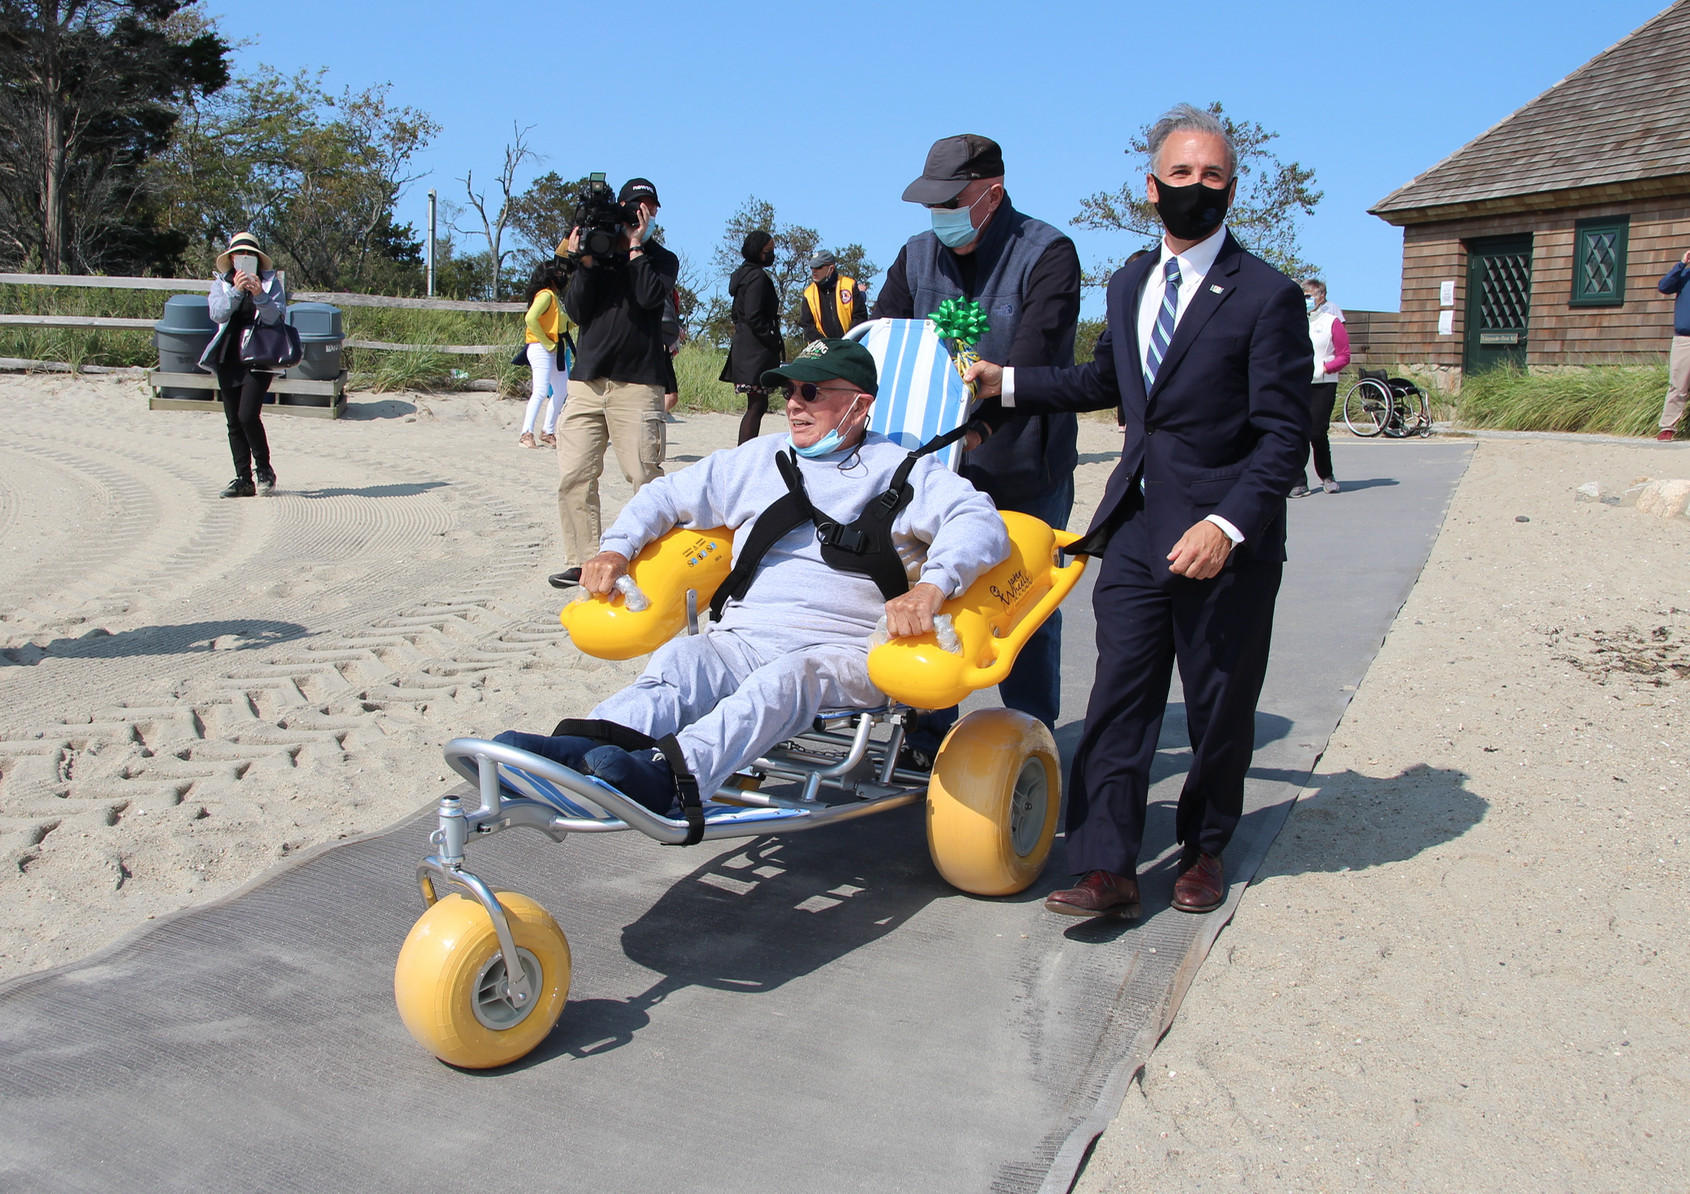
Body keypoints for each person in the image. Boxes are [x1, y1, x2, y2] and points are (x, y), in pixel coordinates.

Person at [964, 104, 1311, 919]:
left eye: (1214, 175)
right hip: (1135, 524)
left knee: (1219, 705)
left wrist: (1227, 527)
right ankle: (1105, 867)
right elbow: (1103, 381)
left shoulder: (1268, 295)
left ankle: (1205, 848)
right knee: (1119, 697)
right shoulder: (1129, 282)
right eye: (1182, 173)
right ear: (1151, 187)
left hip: (1223, 537)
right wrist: (1006, 383)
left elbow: (1284, 435)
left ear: (1232, 190)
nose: (1198, 187)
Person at [495, 338, 1009, 814]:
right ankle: (581, 750)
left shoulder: (905, 470)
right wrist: (615, 548)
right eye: (789, 391)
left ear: (860, 404)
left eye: (812, 392)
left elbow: (979, 521)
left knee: (784, 681)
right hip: (744, 637)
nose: (794, 405)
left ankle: (671, 778)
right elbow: (664, 496)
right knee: (684, 660)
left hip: (846, 650)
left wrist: (932, 585)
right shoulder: (757, 460)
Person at [873, 132, 1082, 738]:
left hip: (1022, 465)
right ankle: (927, 732)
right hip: (932, 469)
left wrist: (981, 428)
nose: (939, 215)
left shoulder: (1047, 253)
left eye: (951, 202)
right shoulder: (915, 256)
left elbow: (1036, 360)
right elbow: (882, 342)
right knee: (924, 591)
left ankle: (1029, 734)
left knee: (1022, 599)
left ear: (992, 194)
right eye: (931, 205)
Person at [549, 178, 681, 589]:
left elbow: (649, 297)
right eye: (635, 206)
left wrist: (636, 247)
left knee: (644, 476)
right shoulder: (596, 251)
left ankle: (647, 562)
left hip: (638, 384)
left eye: (649, 207)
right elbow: (576, 310)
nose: (642, 213)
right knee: (574, 476)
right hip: (587, 382)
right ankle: (582, 561)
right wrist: (585, 263)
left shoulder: (662, 258)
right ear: (621, 207)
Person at [198, 231, 287, 498]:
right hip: (228, 356)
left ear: (257, 259)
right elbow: (217, 313)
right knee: (233, 421)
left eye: (250, 254)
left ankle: (264, 470)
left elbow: (276, 319)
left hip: (259, 356)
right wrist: (237, 291)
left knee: (248, 415)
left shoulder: (270, 284)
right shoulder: (222, 284)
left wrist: (259, 294)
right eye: (239, 254)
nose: (244, 258)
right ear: (231, 259)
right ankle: (243, 479)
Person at [720, 230, 784, 443]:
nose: (772, 254)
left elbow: (737, 314)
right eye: (769, 250)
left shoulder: (742, 276)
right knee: (757, 405)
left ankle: (744, 451)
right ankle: (744, 453)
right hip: (755, 350)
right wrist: (772, 338)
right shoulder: (756, 277)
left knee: (756, 404)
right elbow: (753, 315)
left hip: (745, 346)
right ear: (758, 251)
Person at [1290, 278, 1350, 496]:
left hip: (1323, 383)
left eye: (1310, 296)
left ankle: (1327, 475)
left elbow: (1344, 356)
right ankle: (1298, 481)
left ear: (1321, 297)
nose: (1306, 300)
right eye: (1303, 296)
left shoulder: (1332, 322)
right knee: (1297, 431)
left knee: (1316, 431)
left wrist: (1325, 368)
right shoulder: (1295, 321)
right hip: (1298, 383)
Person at [518, 258, 572, 449]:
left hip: (554, 348)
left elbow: (562, 323)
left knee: (562, 390)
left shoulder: (553, 298)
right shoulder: (546, 295)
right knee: (541, 391)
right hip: (542, 348)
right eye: (558, 273)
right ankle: (526, 433)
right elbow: (530, 319)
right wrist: (547, 342)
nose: (562, 276)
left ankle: (548, 431)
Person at [1655, 249, 1690, 442]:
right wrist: (1681, 264)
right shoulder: (1684, 275)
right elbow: (1664, 286)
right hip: (1685, 339)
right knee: (1678, 385)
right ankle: (1667, 427)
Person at [797, 250, 867, 342]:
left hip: (850, 344)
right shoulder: (808, 294)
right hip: (823, 348)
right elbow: (808, 327)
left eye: (818, 267)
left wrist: (848, 341)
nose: (814, 270)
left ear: (831, 268)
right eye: (812, 267)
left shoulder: (849, 285)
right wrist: (827, 346)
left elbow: (860, 317)